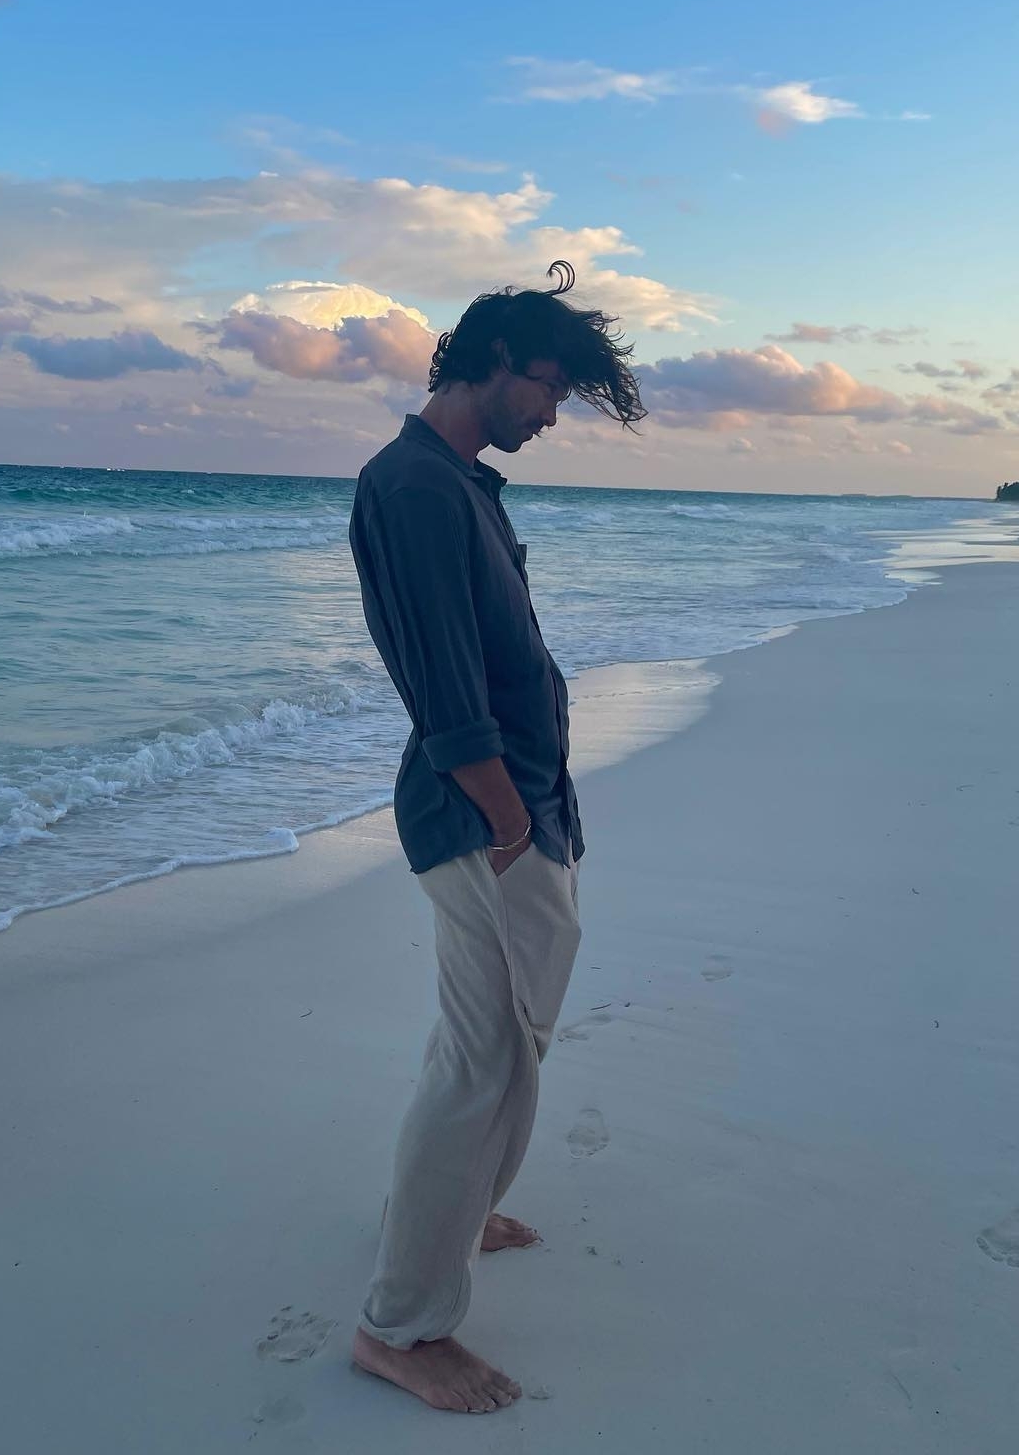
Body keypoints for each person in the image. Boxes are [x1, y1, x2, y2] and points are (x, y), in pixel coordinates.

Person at [347, 261, 646, 1413]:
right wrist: (512, 816)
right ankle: (403, 1329)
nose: (554, 414)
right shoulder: (415, 487)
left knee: (490, 1043)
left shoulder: (460, 482)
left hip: (519, 808)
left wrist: (538, 807)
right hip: (486, 815)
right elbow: (444, 689)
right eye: (550, 389)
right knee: (489, 1062)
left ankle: (453, 1210)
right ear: (494, 361)